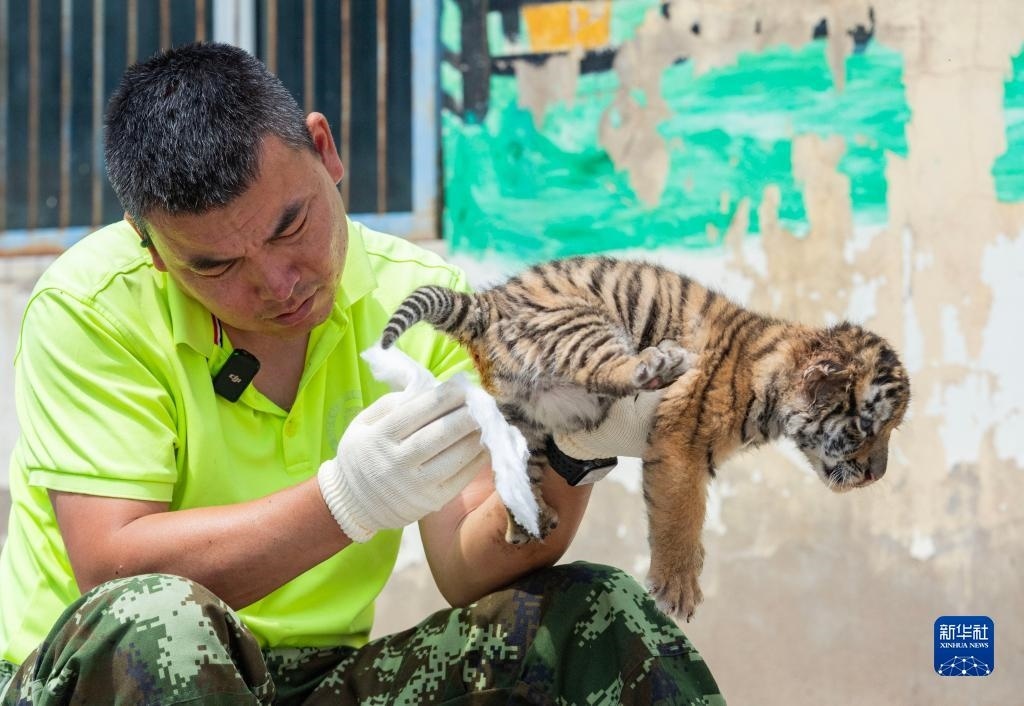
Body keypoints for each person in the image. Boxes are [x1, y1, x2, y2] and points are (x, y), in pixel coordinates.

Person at [0, 43, 723, 704]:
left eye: (290, 226)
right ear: (153, 249)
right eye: (215, 267)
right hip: (105, 680)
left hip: (319, 681)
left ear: (325, 150)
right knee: (161, 618)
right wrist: (347, 500)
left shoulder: (423, 301)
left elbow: (468, 565)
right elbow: (114, 566)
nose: (278, 284)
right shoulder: (91, 304)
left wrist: (571, 452)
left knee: (594, 618)